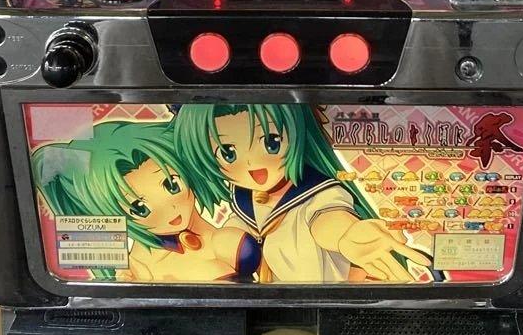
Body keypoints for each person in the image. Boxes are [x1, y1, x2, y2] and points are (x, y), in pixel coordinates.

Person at [173, 104, 431, 283]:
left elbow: (328, 220)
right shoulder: (242, 202)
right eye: (228, 153)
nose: (253, 165)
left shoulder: (319, 193)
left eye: (271, 143)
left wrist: (348, 235)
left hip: (325, 309)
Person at [32, 120, 259, 283]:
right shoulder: (137, 266)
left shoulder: (229, 241)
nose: (168, 207)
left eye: (171, 185)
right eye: (138, 208)